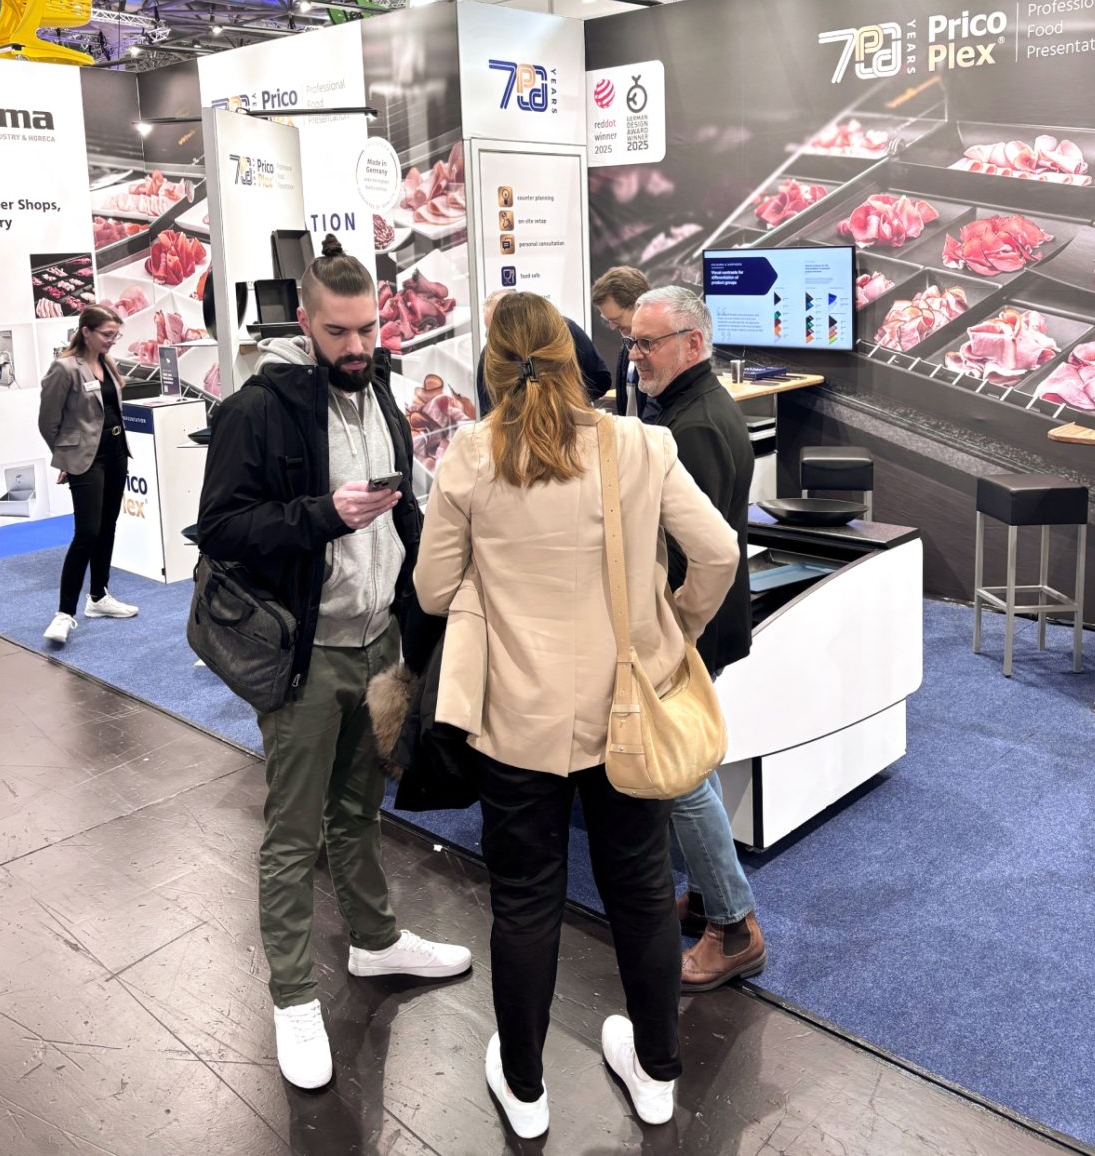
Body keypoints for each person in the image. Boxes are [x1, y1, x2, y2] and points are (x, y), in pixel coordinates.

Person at [415, 292, 738, 1139]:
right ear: (573, 360)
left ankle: (525, 1090)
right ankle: (657, 1072)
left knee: (525, 901)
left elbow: (432, 591)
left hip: (513, 718)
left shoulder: (470, 455)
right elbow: (718, 552)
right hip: (627, 708)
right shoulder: (638, 444)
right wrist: (673, 629)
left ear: (492, 369)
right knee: (642, 891)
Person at [196, 235, 471, 1091]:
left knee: (358, 809)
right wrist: (320, 514)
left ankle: (375, 940)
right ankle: (291, 997)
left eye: (367, 330)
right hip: (306, 654)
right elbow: (221, 529)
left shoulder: (381, 391)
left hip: (377, 644)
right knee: (292, 832)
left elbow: (402, 510)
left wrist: (433, 593)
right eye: (339, 332)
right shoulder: (258, 408)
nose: (356, 347)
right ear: (307, 324)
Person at [628, 284, 765, 992]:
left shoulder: (695, 426)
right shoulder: (692, 410)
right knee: (695, 765)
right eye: (633, 341)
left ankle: (734, 928)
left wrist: (673, 623)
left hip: (693, 624)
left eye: (648, 342)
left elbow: (701, 552)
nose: (636, 355)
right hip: (700, 622)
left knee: (681, 775)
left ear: (694, 343)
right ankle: (712, 897)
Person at [37, 304, 139, 646]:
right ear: (86, 332)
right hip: (86, 459)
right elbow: (47, 421)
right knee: (87, 532)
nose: (112, 340)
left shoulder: (107, 363)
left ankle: (98, 596)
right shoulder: (65, 367)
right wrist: (65, 457)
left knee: (108, 526)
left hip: (116, 452)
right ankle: (64, 613)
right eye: (107, 334)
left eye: (115, 335)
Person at [474, 288, 611, 415]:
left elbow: (600, 379)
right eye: (491, 331)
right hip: (513, 430)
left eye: (501, 325)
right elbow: (487, 411)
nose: (497, 336)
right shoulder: (489, 355)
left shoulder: (565, 330)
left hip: (571, 422)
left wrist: (566, 403)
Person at [591, 265, 650, 419]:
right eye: (608, 320)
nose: (612, 327)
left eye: (616, 319)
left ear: (638, 305)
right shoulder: (627, 345)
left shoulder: (660, 351)